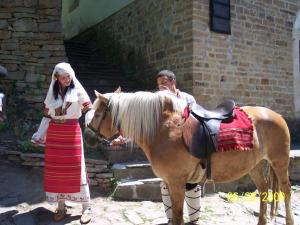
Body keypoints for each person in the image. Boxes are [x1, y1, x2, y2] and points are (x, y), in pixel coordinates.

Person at [38, 62, 92, 224]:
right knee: (57, 170)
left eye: (69, 76)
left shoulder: (78, 91)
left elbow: (88, 109)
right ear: (57, 78)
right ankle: (61, 206)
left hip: (71, 131)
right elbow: (47, 115)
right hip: (55, 133)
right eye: (64, 77)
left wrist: (91, 122)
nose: (67, 79)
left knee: (77, 167)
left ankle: (86, 207)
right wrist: (40, 134)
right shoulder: (52, 94)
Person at [156, 69, 201, 225]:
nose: (161, 87)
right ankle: (171, 220)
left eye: (164, 83)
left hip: (188, 149)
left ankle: (194, 220)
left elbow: (197, 120)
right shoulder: (158, 101)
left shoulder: (188, 98)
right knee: (166, 183)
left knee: (192, 184)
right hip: (169, 152)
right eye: (159, 84)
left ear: (173, 82)